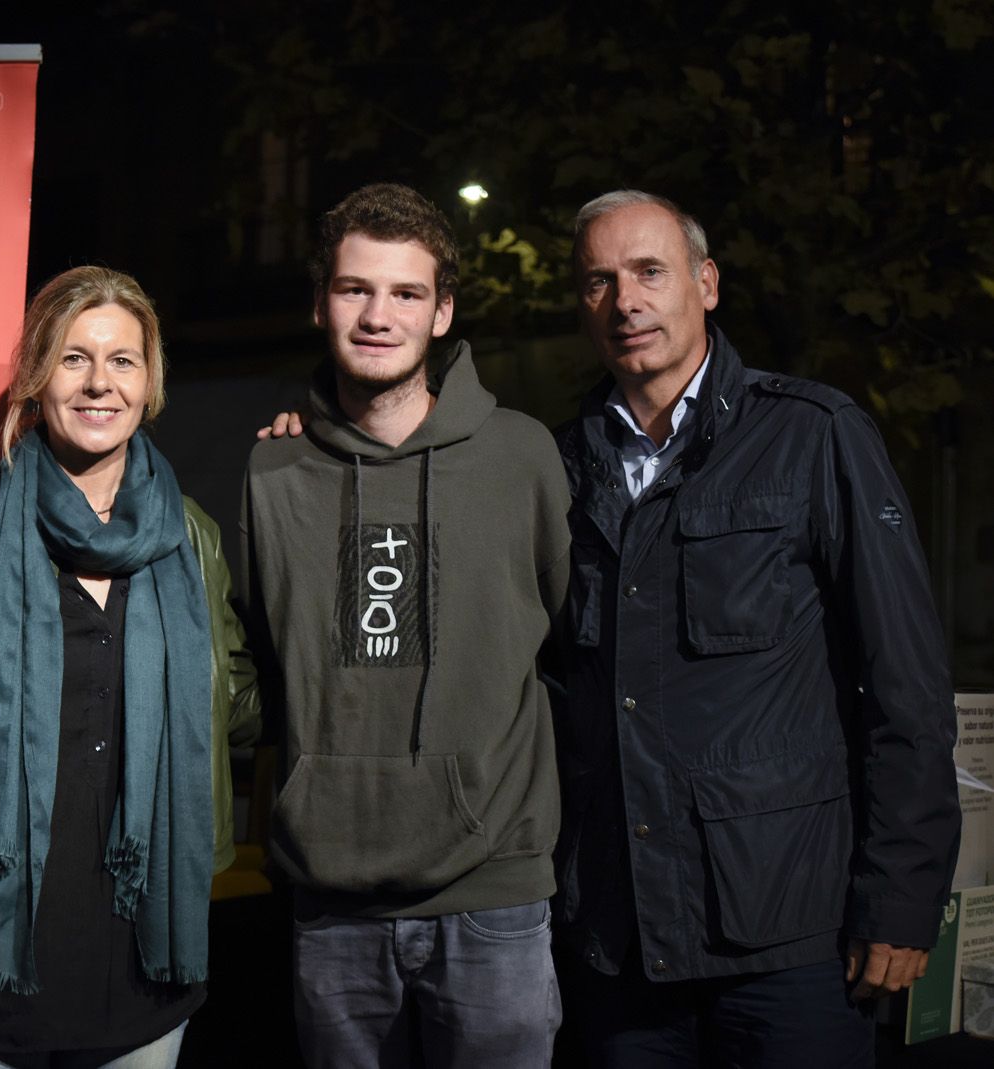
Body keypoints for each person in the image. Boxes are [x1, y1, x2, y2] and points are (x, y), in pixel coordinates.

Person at [552, 189, 960, 1065]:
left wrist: (900, 898)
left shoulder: (814, 435)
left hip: (791, 939)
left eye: (649, 272)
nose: (626, 301)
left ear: (706, 283)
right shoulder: (556, 468)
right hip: (620, 946)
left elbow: (908, 686)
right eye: (599, 280)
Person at [0, 266, 262, 1067]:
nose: (98, 383)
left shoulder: (192, 537)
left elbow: (239, 701)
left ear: (149, 383)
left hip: (146, 959)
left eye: (123, 360)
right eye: (74, 357)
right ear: (36, 376)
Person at [240, 183, 571, 1067]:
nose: (378, 315)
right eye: (355, 289)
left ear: (444, 310)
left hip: (493, 894)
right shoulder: (272, 471)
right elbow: (252, 655)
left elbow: (569, 640)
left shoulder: (523, 457)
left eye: (407, 292)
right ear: (321, 302)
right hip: (332, 896)